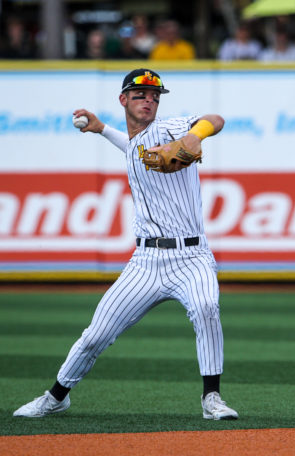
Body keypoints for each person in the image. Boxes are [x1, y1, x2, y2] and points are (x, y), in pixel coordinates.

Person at [12, 68, 239, 421]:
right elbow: (131, 144)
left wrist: (196, 136)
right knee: (95, 335)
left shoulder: (167, 130)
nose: (149, 100)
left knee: (207, 306)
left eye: (154, 96)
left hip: (192, 256)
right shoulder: (135, 143)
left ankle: (212, 398)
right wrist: (102, 129)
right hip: (146, 262)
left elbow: (217, 119)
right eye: (140, 95)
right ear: (123, 100)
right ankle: (56, 396)